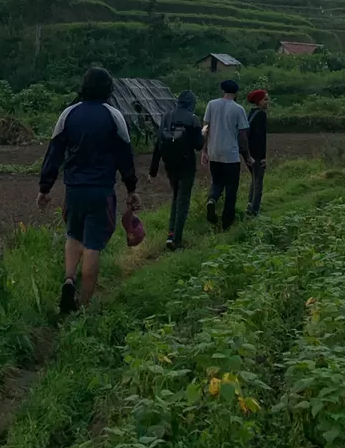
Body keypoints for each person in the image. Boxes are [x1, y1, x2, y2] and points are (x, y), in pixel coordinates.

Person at [38, 66, 140, 314]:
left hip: (74, 190)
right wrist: (131, 188)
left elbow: (54, 153)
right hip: (101, 191)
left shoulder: (68, 114)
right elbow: (125, 156)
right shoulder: (114, 116)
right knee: (93, 245)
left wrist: (45, 188)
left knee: (73, 236)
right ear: (108, 90)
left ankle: (69, 279)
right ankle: (83, 307)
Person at [148, 90, 203, 250]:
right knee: (183, 201)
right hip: (187, 165)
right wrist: (204, 133)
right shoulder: (192, 119)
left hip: (169, 165)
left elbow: (158, 143)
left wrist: (153, 169)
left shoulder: (167, 116)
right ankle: (177, 240)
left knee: (175, 197)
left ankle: (170, 234)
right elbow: (198, 145)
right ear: (192, 103)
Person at [201, 79, 252, 231]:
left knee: (217, 183)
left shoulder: (211, 104)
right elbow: (242, 134)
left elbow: (205, 129)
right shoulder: (238, 109)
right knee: (231, 189)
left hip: (214, 152)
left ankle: (212, 199)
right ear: (236, 93)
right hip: (230, 155)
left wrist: (204, 150)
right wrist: (248, 155)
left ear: (223, 91)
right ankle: (226, 224)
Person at [246, 89, 269, 217]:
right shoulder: (261, 115)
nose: (267, 102)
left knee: (253, 181)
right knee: (258, 182)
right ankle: (254, 212)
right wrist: (263, 158)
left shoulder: (251, 113)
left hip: (248, 153)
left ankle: (249, 206)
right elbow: (261, 138)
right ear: (258, 101)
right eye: (265, 99)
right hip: (257, 154)